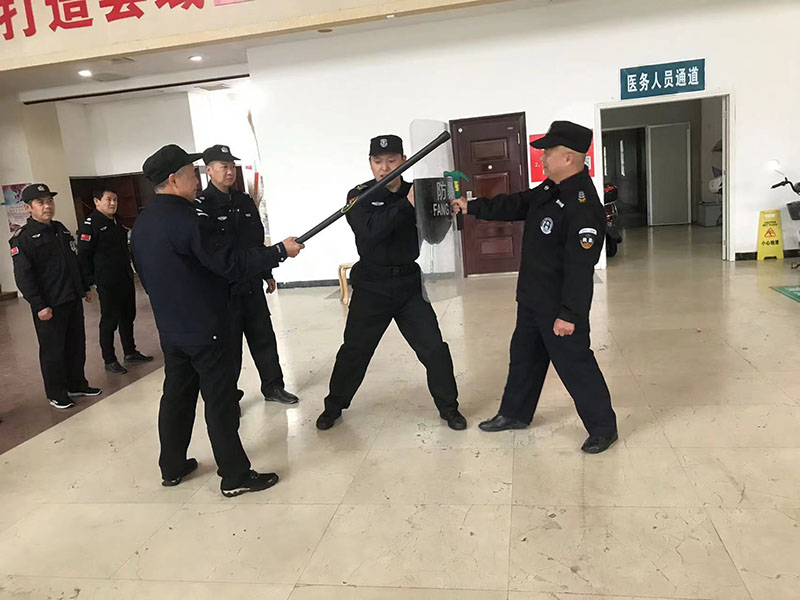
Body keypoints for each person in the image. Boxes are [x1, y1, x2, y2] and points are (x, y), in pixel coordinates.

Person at [130, 144, 304, 497]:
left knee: (176, 397)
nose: (197, 179)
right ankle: (235, 476)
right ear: (173, 179)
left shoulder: (142, 223)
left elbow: (145, 276)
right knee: (220, 401)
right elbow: (231, 264)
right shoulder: (189, 219)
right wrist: (278, 252)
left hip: (172, 330)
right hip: (207, 327)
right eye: (192, 174)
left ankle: (172, 466)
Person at [452, 121, 618, 454]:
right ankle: (515, 413)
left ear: (568, 158)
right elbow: (516, 203)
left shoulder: (583, 206)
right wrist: (473, 207)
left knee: (575, 366)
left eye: (548, 152)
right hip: (532, 297)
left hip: (558, 305)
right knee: (524, 357)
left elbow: (580, 268)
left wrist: (569, 314)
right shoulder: (549, 190)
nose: (542, 157)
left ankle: (603, 428)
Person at [316, 134, 466, 431]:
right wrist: (406, 205)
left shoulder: (418, 191)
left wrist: (445, 212)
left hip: (409, 286)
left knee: (434, 349)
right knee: (355, 351)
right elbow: (370, 232)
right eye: (378, 161)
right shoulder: (358, 195)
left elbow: (434, 237)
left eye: (391, 160)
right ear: (370, 163)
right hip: (372, 286)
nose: (384, 168)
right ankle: (334, 406)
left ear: (404, 161)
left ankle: (449, 408)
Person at [197, 145, 298, 405]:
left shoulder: (242, 201)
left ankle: (273, 387)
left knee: (264, 338)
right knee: (229, 348)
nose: (230, 172)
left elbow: (255, 242)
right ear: (209, 170)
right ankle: (229, 397)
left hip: (251, 284)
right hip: (225, 291)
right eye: (224, 167)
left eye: (232, 166)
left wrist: (267, 273)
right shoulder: (202, 206)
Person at [10, 183, 102, 409]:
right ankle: (56, 393)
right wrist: (39, 305)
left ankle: (77, 383)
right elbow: (24, 277)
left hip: (71, 298)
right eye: (40, 202)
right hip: (49, 305)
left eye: (50, 201)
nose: (47, 206)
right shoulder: (23, 238)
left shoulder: (60, 229)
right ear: (28, 207)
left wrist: (84, 287)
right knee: (53, 350)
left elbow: (73, 261)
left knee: (76, 345)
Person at [77, 186, 152, 374]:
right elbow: (83, 257)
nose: (112, 203)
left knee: (128, 316)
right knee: (109, 321)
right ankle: (109, 359)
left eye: (115, 200)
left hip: (124, 277)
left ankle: (130, 352)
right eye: (108, 199)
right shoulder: (90, 225)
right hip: (107, 282)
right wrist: (89, 283)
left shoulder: (117, 222)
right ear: (97, 202)